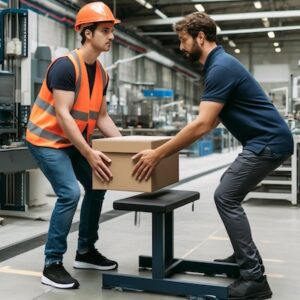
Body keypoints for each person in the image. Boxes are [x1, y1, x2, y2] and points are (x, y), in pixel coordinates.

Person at [132, 12, 293, 300]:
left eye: (183, 40)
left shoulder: (220, 67)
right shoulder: (219, 66)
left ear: (201, 37)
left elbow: (204, 123)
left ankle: (254, 278)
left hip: (268, 142)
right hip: (265, 142)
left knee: (225, 195)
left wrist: (158, 154)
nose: (181, 47)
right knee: (228, 189)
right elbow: (213, 120)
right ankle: (243, 256)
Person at [26, 2, 121, 289]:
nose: (111, 36)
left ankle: (85, 251)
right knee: (69, 192)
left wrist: (127, 146)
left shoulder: (101, 73)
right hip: (46, 140)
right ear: (86, 32)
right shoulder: (66, 67)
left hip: (71, 142)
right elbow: (64, 115)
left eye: (111, 31)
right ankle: (52, 263)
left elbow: (102, 116)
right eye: (105, 30)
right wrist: (89, 152)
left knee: (97, 183)